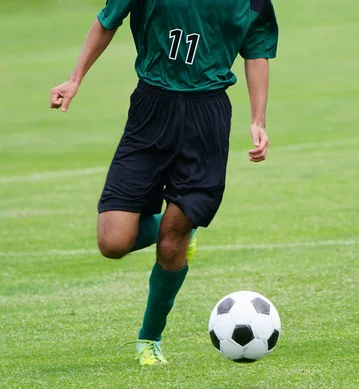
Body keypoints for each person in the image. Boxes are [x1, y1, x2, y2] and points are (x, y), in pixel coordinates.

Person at [49, 0, 278, 366]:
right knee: (113, 242)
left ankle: (149, 339)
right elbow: (107, 20)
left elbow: (257, 51)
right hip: (150, 112)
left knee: (173, 239)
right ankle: (178, 230)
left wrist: (258, 120)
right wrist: (75, 79)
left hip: (208, 117)